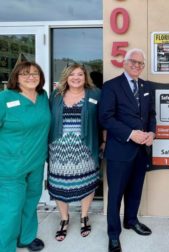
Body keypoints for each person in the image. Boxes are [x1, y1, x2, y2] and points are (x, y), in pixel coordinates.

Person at [99, 48, 156, 252]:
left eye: (141, 63)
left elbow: (151, 114)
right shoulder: (111, 86)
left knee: (135, 190)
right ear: (124, 62)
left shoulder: (146, 86)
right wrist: (131, 133)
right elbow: (105, 117)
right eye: (133, 61)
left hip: (141, 151)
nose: (137, 66)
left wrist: (152, 133)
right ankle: (113, 234)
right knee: (115, 195)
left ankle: (131, 220)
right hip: (119, 151)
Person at [48, 64, 103, 241]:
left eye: (80, 74)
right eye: (72, 74)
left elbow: (103, 119)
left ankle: (84, 216)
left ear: (85, 76)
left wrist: (104, 140)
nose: (76, 77)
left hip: (85, 147)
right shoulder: (55, 96)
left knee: (86, 182)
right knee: (58, 185)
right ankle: (64, 218)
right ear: (66, 76)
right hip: (59, 147)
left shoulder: (95, 94)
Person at [0, 61, 50, 252]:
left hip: (36, 162)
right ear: (16, 77)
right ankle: (5, 247)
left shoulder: (43, 96)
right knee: (10, 210)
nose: (31, 77)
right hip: (10, 166)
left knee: (31, 202)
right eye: (25, 74)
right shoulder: (4, 98)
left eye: (35, 73)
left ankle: (26, 237)